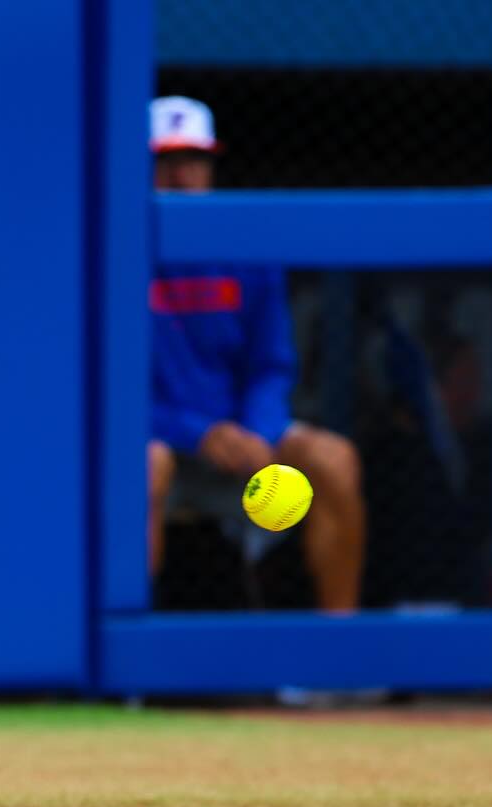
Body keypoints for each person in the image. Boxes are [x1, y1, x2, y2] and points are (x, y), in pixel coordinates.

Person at [147, 96, 366, 612]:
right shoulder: (111, 251)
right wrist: (197, 432)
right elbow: (103, 386)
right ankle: (129, 650)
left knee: (333, 459)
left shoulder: (244, 246)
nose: (180, 175)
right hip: (159, 442)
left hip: (244, 446)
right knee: (145, 466)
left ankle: (338, 645)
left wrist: (257, 433)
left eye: (194, 159)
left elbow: (271, 364)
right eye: (164, 160)